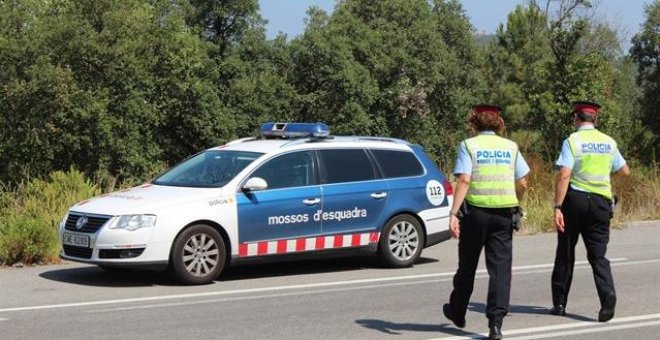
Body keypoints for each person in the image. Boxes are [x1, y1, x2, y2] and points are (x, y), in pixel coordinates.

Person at [443, 104, 529, 340]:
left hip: (476, 215)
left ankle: (458, 312)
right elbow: (523, 182)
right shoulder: (510, 147)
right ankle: (496, 324)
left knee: (467, 266)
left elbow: (464, 180)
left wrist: (453, 213)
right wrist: (516, 204)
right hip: (503, 215)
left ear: (475, 122)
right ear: (499, 123)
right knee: (500, 270)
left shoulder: (469, 145)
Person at [550, 101, 630, 322]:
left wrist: (557, 206)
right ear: (595, 119)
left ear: (576, 118)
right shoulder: (608, 142)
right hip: (601, 204)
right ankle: (608, 296)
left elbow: (564, 174)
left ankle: (559, 304)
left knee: (565, 252)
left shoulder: (572, 141)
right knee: (598, 256)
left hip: (574, 201)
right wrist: (604, 176)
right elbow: (624, 171)